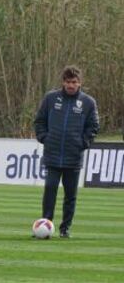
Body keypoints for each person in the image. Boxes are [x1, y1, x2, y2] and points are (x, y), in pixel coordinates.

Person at [34, 65, 99, 238]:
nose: (71, 85)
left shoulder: (88, 102)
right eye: (68, 82)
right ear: (63, 82)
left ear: (80, 83)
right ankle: (45, 226)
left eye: (74, 82)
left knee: (70, 196)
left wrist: (82, 143)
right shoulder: (50, 98)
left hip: (73, 157)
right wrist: (44, 138)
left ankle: (65, 229)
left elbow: (93, 127)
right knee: (50, 190)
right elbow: (39, 121)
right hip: (52, 155)